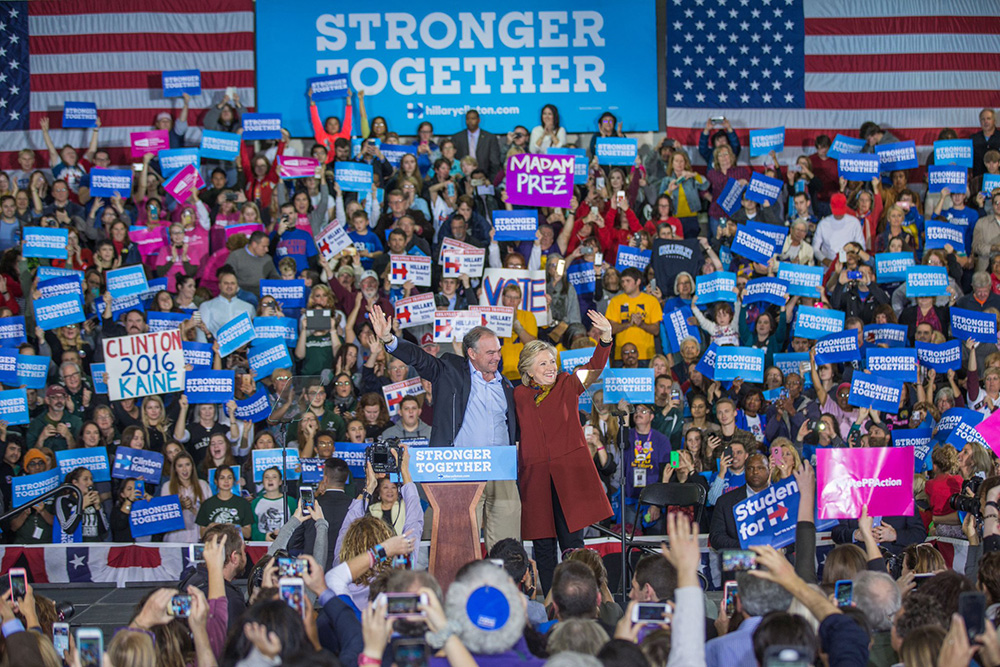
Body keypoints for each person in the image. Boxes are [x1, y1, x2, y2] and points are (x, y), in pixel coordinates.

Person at [368, 304, 520, 550]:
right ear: (471, 353)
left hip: (502, 470)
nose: (497, 357)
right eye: (490, 352)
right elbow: (420, 359)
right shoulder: (450, 371)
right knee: (460, 544)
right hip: (464, 470)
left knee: (508, 543)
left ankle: (506, 585)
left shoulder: (506, 385)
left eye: (498, 351)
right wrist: (389, 339)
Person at [514, 310, 615, 593]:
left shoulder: (567, 384)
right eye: (543, 363)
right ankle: (549, 603)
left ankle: (579, 596)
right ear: (528, 369)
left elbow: (595, 366)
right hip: (535, 480)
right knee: (543, 547)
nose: (550, 367)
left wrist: (605, 338)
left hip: (568, 478)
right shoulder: (518, 395)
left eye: (552, 362)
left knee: (572, 545)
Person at [709, 453, 771, 550]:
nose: (755, 472)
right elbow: (716, 538)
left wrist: (779, 548)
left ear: (769, 470)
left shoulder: (783, 498)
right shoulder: (725, 502)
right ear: (745, 471)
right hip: (739, 560)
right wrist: (745, 546)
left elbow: (794, 534)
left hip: (776, 558)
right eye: (750, 468)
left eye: (760, 468)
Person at [450, 109, 501, 180]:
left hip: (484, 178)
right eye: (467, 119)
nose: (470, 121)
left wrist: (491, 180)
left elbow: (494, 161)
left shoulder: (489, 138)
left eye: (473, 118)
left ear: (479, 120)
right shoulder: (457, 137)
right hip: (462, 177)